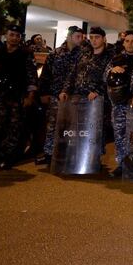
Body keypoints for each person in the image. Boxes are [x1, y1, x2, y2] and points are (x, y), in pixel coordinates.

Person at [0, 25, 38, 169]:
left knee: (13, 129)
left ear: (20, 38)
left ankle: (7, 158)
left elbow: (32, 77)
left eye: (17, 35)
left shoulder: (25, 53)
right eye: (12, 34)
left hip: (18, 96)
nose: (14, 37)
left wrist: (30, 96)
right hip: (1, 96)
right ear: (6, 35)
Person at [37, 26, 85, 165]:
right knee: (53, 125)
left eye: (81, 36)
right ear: (69, 36)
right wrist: (43, 92)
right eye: (77, 36)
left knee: (73, 126)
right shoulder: (55, 53)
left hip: (75, 96)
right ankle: (49, 153)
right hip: (56, 95)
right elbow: (46, 75)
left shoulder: (83, 54)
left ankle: (70, 154)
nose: (80, 39)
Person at [104, 30, 133, 177]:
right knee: (120, 135)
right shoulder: (117, 59)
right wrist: (111, 70)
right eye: (127, 41)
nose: (130, 44)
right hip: (119, 105)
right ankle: (122, 165)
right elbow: (104, 75)